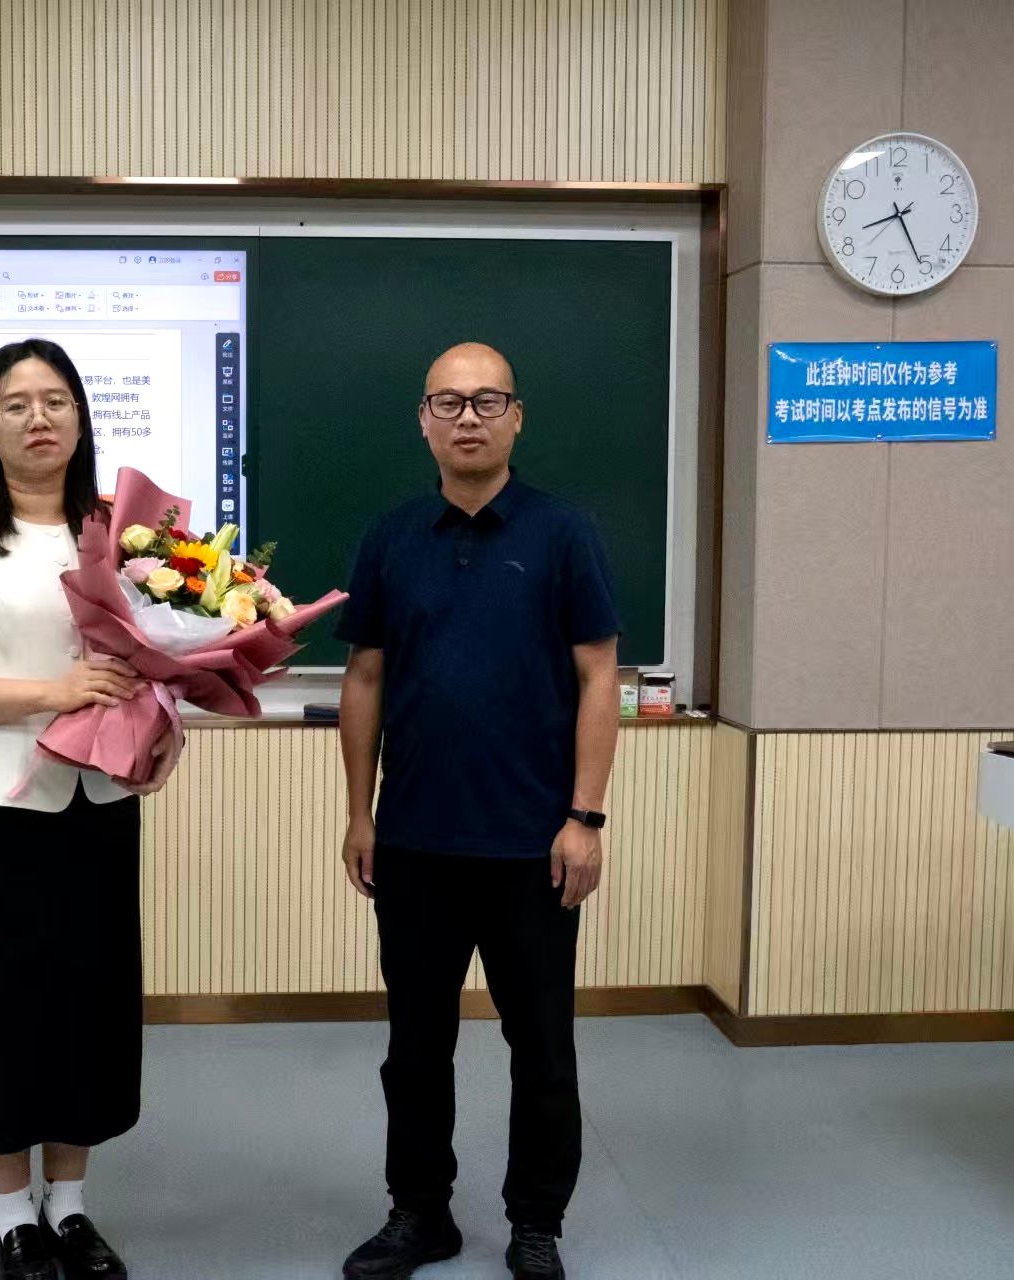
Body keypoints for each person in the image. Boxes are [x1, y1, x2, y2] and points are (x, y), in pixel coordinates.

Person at [334, 343, 623, 1280]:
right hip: (415, 841)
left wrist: (585, 818)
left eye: (487, 401)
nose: (468, 417)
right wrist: (360, 813)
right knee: (415, 1047)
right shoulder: (390, 536)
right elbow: (364, 676)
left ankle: (536, 1221)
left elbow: (600, 676)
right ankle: (420, 1213)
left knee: (541, 1047)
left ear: (516, 417)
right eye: (449, 402)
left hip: (533, 844)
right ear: (423, 420)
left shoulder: (564, 532)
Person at [0, 337, 178, 1280]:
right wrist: (50, 694)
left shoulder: (124, 535)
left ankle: (70, 1205)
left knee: (87, 1002)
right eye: (16, 404)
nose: (39, 418)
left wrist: (159, 722)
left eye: (56, 400)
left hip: (97, 799)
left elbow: (149, 661)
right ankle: (12, 1214)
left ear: (81, 418)